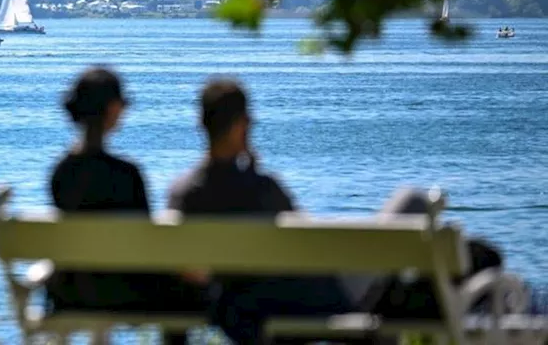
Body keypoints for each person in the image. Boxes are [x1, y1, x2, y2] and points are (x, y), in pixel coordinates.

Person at [169, 79, 515, 344]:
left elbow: (189, 271)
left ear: (202, 124)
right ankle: (472, 262)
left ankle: (463, 262)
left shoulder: (184, 194)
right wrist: (254, 166)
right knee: (411, 201)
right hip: (326, 297)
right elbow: (303, 236)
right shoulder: (263, 189)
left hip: (248, 305)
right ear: (242, 126)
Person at [47, 67, 204, 342]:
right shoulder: (126, 174)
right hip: (127, 293)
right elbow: (145, 243)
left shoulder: (61, 172)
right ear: (112, 109)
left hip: (73, 292)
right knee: (185, 294)